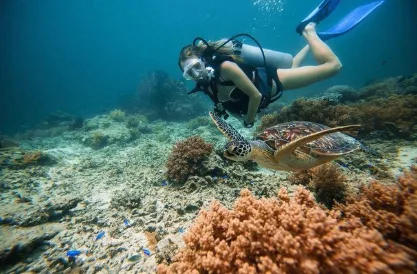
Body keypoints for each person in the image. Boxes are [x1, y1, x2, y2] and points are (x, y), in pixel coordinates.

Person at [178, 0, 385, 128]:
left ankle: (309, 31)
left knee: (333, 66)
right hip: (270, 81)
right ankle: (317, 40)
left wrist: (249, 121)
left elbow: (255, 95)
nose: (196, 74)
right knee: (293, 63)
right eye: (189, 73)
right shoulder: (206, 84)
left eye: (196, 66)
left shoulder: (226, 68)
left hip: (275, 81)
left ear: (203, 60)